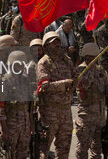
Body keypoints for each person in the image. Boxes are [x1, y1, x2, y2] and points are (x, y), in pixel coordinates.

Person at [36, 31, 76, 159]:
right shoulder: (44, 63)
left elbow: (75, 78)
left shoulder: (67, 60)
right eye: (54, 43)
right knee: (44, 149)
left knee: (64, 148)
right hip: (49, 111)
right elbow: (44, 86)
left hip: (65, 110)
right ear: (47, 46)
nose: (58, 45)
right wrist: (64, 83)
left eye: (58, 42)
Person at [75, 43, 108, 159]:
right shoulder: (80, 70)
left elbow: (107, 85)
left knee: (98, 148)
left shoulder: (101, 70)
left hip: (100, 116)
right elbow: (83, 86)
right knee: (83, 148)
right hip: (87, 116)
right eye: (94, 56)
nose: (96, 58)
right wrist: (90, 69)